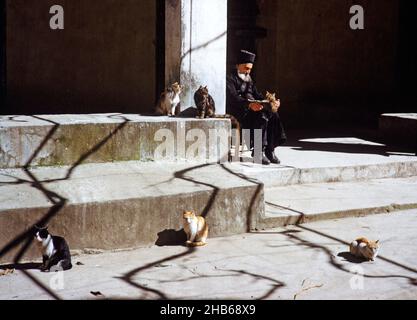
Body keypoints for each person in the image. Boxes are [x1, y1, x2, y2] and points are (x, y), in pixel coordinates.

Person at [226, 50, 287, 165]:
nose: (248, 71)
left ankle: (270, 149)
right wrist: (249, 104)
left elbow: (257, 95)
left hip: (253, 108)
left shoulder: (249, 79)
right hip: (239, 110)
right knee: (261, 115)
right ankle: (258, 151)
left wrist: (272, 102)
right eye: (246, 68)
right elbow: (232, 98)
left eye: (250, 69)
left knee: (273, 113)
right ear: (238, 65)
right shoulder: (229, 79)